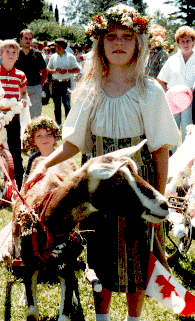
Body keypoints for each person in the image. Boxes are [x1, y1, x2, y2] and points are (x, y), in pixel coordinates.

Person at [25, 4, 179, 321]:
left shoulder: (149, 91)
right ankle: (102, 317)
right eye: (111, 36)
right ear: (100, 42)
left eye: (127, 36)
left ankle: (133, 318)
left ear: (139, 42)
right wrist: (43, 165)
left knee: (140, 253)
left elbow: (160, 150)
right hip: (98, 188)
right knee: (101, 250)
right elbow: (71, 143)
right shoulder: (89, 90)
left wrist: (157, 198)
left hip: (138, 185)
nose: (119, 43)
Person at [157, 26, 195, 148]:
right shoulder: (172, 60)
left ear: (193, 42)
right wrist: (168, 95)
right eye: (182, 41)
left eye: (188, 40)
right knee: (172, 130)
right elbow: (161, 80)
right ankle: (172, 158)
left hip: (191, 100)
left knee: (188, 130)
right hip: (173, 101)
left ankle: (188, 160)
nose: (186, 44)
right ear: (178, 44)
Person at [0, 39, 28, 190]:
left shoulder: (20, 75)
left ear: (18, 56)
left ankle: (19, 182)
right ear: (1, 55)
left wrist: (23, 101)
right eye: (7, 52)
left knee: (15, 147)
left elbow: (23, 94)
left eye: (14, 53)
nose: (10, 55)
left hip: (12, 115)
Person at [15, 29, 47, 119]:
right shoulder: (15, 54)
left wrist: (41, 84)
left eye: (30, 38)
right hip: (19, 89)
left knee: (35, 116)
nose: (28, 40)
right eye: (25, 38)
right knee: (19, 116)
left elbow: (45, 70)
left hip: (35, 88)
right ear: (20, 39)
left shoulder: (37, 54)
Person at [47, 38, 80, 125]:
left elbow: (77, 69)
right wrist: (54, 71)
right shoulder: (53, 56)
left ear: (60, 47)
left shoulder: (70, 56)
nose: (54, 47)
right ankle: (58, 124)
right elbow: (47, 70)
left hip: (66, 83)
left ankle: (68, 124)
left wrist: (67, 71)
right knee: (56, 105)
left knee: (67, 104)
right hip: (56, 83)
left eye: (56, 45)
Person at [22, 116, 61, 185]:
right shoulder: (33, 158)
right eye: (39, 136)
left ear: (55, 137)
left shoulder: (61, 155)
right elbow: (25, 181)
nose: (44, 139)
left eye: (48, 134)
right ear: (33, 140)